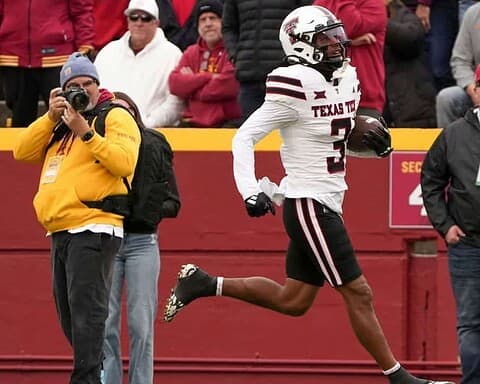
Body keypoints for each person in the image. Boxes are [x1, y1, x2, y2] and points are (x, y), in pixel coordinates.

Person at [163, 6, 453, 384]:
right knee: (359, 292)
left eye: (336, 36)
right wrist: (250, 191)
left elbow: (333, 138)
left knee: (293, 301)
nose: (336, 44)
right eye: (325, 39)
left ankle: (204, 283)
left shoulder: (346, 77)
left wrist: (371, 146)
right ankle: (400, 378)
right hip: (308, 204)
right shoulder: (292, 82)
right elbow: (244, 137)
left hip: (327, 201)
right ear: (301, 46)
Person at [12, 53, 141, 384]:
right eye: (72, 87)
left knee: (88, 313)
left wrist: (86, 132)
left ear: (98, 86)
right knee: (70, 316)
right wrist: (50, 116)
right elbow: (21, 151)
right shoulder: (60, 124)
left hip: (94, 225)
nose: (81, 92)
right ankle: (94, 374)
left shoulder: (114, 116)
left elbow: (124, 162)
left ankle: (85, 379)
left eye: (87, 84)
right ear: (62, 93)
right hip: (61, 230)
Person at [103, 91, 180, 384]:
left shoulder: (154, 146)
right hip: (111, 240)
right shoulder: (103, 147)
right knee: (106, 323)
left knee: (141, 325)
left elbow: (173, 202)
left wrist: (147, 211)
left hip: (140, 242)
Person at [420, 64, 480, 384]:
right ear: (475, 91)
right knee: (471, 323)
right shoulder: (454, 134)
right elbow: (430, 181)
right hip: (469, 244)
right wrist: (445, 225)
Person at [0, 0, 95, 127]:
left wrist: (85, 44)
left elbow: (81, 10)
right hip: (13, 56)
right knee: (20, 122)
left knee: (66, 114)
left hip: (58, 57)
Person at [94, 0, 184, 128]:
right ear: (128, 21)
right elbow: (95, 92)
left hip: (152, 133)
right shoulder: (108, 51)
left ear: (156, 23)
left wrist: (146, 124)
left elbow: (175, 103)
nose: (139, 23)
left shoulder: (172, 54)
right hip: (107, 130)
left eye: (146, 18)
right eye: (134, 17)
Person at [222, 0, 311, 123]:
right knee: (252, 135)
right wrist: (235, 55)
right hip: (249, 78)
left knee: (287, 133)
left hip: (286, 77)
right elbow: (229, 27)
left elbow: (308, 21)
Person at [168, 0, 241, 127]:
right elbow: (174, 84)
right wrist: (207, 77)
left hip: (226, 122)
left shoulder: (233, 49)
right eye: (203, 19)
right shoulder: (191, 52)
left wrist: (192, 87)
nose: (208, 24)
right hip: (193, 123)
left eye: (213, 18)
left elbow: (230, 84)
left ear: (223, 22)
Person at [314, 0, 387, 118]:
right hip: (325, 97)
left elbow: (348, 27)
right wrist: (351, 41)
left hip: (364, 100)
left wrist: (333, 40)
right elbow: (312, 40)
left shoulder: (373, 3)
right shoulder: (322, 3)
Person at [383, 0, 437, 128]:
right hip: (381, 110)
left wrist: (377, 21)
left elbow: (411, 39)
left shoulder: (404, 16)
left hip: (413, 111)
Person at [435, 1, 480, 128]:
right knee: (447, 98)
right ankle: (448, 146)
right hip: (477, 88)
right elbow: (460, 60)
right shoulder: (473, 14)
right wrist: (473, 89)